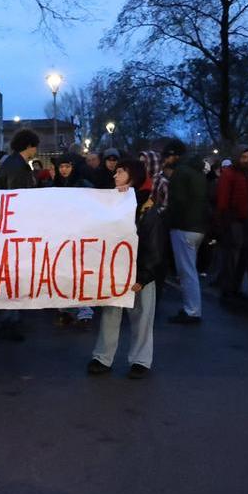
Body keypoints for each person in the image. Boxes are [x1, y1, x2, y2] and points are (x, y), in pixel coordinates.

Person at [89, 159, 162, 378]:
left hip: (140, 271)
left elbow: (155, 247)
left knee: (141, 315)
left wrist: (144, 276)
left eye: (121, 172)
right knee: (110, 313)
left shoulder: (148, 209)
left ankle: (141, 360)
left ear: (133, 176)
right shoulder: (113, 203)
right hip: (115, 270)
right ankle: (102, 357)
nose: (115, 175)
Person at [0, 128, 39, 341]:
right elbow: (19, 199)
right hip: (16, 229)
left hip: (9, 228)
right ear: (28, 146)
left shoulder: (10, 164)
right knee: (14, 276)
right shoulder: (18, 167)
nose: (35, 151)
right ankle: (9, 321)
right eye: (34, 146)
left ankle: (10, 319)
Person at [163, 143, 208, 325]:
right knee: (191, 269)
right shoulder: (198, 172)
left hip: (184, 226)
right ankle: (192, 308)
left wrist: (168, 219)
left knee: (187, 271)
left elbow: (177, 202)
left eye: (167, 156)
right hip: (198, 226)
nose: (165, 160)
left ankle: (192, 310)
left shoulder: (181, 173)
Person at [51, 153, 94, 328]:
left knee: (80, 273)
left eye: (67, 166)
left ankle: (85, 311)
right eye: (61, 167)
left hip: (79, 235)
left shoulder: (84, 184)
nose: (64, 170)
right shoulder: (52, 186)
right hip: (60, 236)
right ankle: (66, 310)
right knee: (62, 274)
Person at [215, 146, 248, 300]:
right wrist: (224, 220)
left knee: (241, 256)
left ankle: (234, 287)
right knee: (233, 257)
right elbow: (223, 199)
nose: (246, 160)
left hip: (243, 220)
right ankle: (229, 289)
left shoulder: (246, 175)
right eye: (244, 157)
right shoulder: (230, 175)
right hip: (233, 220)